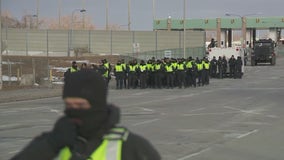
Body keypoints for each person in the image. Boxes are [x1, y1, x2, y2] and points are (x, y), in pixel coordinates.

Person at [10, 70, 161, 160]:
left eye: (81, 105)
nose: (74, 111)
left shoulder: (132, 147)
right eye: (69, 105)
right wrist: (49, 145)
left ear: (98, 105)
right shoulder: (54, 142)